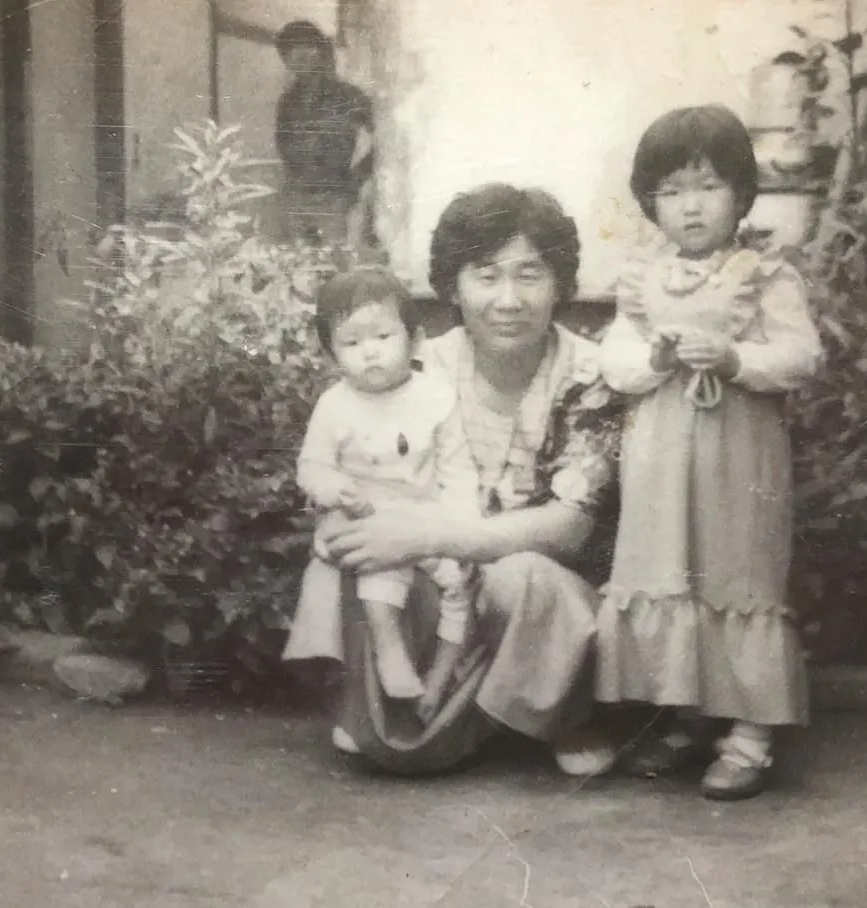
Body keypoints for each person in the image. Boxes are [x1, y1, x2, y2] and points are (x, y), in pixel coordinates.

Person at [282, 184, 624, 778]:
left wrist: (429, 536)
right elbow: (354, 460)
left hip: (545, 581)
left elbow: (569, 527)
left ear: (559, 285)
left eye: (530, 275)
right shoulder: (417, 368)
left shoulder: (591, 376)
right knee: (352, 552)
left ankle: (562, 717)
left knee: (521, 578)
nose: (509, 300)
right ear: (454, 287)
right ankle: (398, 711)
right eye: (486, 276)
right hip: (436, 572)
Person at [595, 105, 824, 800]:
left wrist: (734, 358)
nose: (690, 206)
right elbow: (616, 362)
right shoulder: (643, 279)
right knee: (672, 567)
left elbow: (801, 355)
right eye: (671, 191)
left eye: (708, 186)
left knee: (737, 571)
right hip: (662, 456)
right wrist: (656, 358)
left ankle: (751, 731)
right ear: (650, 202)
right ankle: (688, 712)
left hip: (737, 454)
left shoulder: (763, 274)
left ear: (742, 194)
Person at [294, 267, 477, 717]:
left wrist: (463, 532)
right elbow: (311, 466)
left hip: (424, 515)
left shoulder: (436, 397)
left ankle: (441, 677)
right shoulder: (335, 405)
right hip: (364, 514)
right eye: (351, 343)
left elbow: (457, 471)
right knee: (379, 564)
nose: (370, 352)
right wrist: (334, 487)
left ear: (414, 340)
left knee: (461, 584)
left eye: (382, 336)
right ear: (332, 354)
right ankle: (388, 647)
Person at [274, 20, 375, 248]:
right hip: (297, 198)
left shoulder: (349, 96)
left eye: (306, 48)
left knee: (334, 260)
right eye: (289, 52)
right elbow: (283, 144)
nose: (298, 57)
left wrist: (357, 178)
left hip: (336, 198)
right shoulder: (287, 102)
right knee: (299, 262)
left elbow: (384, 138)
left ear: (320, 52)